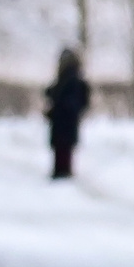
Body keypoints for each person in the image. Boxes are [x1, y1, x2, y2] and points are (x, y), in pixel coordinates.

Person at [43, 49, 90, 179]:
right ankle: (62, 170)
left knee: (63, 147)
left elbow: (63, 96)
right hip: (66, 119)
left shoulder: (69, 78)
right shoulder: (72, 78)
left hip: (64, 119)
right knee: (63, 147)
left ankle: (62, 171)